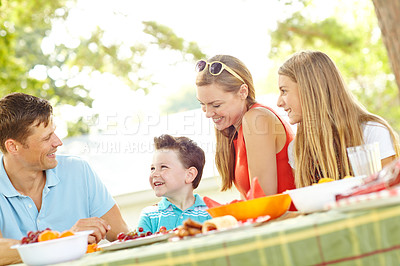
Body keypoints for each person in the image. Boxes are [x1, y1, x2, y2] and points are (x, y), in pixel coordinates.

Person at [0, 93, 128, 260]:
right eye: (46, 138)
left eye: (54, 132)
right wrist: (66, 240)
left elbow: (122, 236)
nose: (58, 142)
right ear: (13, 147)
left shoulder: (78, 170)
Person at [277, 50, 400, 188]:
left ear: (310, 91)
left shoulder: (371, 131)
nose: (279, 102)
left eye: (284, 91)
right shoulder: (297, 148)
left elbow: (387, 191)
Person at [195, 55, 296, 204]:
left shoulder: (256, 119)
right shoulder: (234, 131)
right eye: (203, 104)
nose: (208, 113)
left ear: (243, 92)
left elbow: (264, 202)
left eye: (216, 105)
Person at [136, 134, 212, 233]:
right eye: (152, 168)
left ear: (189, 175)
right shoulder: (149, 216)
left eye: (163, 167)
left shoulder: (211, 212)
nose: (154, 174)